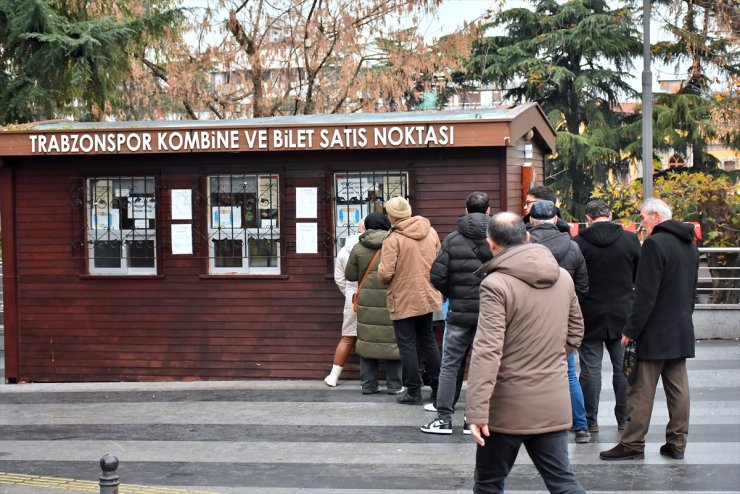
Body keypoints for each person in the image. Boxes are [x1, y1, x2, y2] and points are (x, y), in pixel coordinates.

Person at [466, 212, 585, 494]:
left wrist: (477, 411)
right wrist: (551, 357)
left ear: (491, 243)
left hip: (507, 406)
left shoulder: (495, 285)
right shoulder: (564, 278)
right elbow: (576, 331)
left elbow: (487, 351)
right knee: (563, 482)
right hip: (552, 399)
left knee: (488, 485)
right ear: (527, 236)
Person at [600, 198, 699, 461]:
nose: (641, 222)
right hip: (679, 328)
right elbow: (691, 290)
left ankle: (632, 444)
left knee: (640, 390)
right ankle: (677, 443)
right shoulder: (689, 243)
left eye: (643, 216)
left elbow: (644, 294)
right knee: (678, 388)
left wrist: (631, 330)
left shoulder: (655, 244)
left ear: (656, 216)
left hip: (653, 331)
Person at [422, 191, 492, 434]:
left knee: (451, 364)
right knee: (483, 366)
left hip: (459, 311)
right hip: (490, 314)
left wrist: (452, 293)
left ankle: (443, 419)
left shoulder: (452, 239)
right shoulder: (497, 239)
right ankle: (472, 420)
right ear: (489, 211)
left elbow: (437, 275)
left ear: (465, 210)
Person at [574, 199, 641, 433]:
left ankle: (590, 421)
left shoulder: (579, 242)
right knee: (623, 368)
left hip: (589, 313)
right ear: (610, 215)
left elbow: (575, 279)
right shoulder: (630, 239)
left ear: (588, 218)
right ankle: (623, 419)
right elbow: (638, 276)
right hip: (623, 313)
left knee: (590, 369)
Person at [528, 199, 591, 444]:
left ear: (531, 220)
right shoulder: (573, 247)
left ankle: (535, 425)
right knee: (569, 374)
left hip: (529, 320)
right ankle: (581, 427)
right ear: (555, 219)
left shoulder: (523, 245)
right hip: (562, 321)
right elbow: (583, 287)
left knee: (529, 373)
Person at [378, 196, 442, 406]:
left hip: (403, 296)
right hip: (428, 294)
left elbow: (385, 273)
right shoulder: (430, 231)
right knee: (428, 340)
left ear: (392, 216)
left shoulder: (393, 238)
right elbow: (439, 258)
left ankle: (413, 390)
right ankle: (437, 386)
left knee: (406, 344)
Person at [345, 212, 404, 394]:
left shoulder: (358, 247)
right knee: (393, 340)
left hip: (367, 302)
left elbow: (350, 275)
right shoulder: (395, 244)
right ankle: (394, 386)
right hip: (391, 298)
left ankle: (369, 385)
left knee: (367, 341)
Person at [324, 220, 365, 386]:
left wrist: (349, 292)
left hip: (353, 296)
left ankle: (334, 376)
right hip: (378, 297)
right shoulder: (382, 245)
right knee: (381, 336)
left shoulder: (344, 250)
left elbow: (339, 278)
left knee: (348, 336)